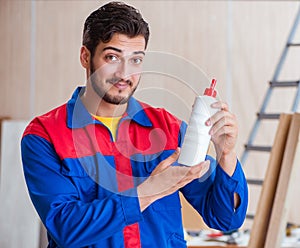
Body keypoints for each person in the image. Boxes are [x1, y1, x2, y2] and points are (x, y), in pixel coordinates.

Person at [21, 2, 248, 247]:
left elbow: (226, 218)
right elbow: (66, 228)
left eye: (136, 60)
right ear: (85, 56)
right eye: (112, 57)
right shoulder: (45, 136)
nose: (124, 74)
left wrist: (226, 154)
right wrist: (149, 191)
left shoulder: (168, 130)